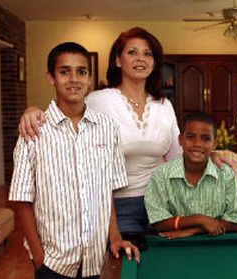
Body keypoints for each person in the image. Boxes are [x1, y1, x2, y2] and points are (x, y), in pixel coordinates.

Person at [17, 27, 235, 235]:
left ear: (154, 62)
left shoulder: (163, 105)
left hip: (164, 203)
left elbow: (177, 157)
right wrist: (32, 111)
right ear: (118, 60)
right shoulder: (99, 100)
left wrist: (210, 153)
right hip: (119, 208)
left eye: (147, 53)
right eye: (132, 52)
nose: (140, 58)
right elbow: (64, 112)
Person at [9, 42, 139, 279]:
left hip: (94, 259)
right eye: (64, 71)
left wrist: (115, 237)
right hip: (52, 261)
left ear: (89, 78)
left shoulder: (107, 127)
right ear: (51, 77)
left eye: (81, 71)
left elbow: (106, 190)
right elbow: (21, 200)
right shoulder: (33, 130)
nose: (74, 79)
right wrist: (39, 256)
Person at [144, 112, 237, 240]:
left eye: (206, 139)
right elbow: (158, 222)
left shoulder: (226, 174)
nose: (197, 144)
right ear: (181, 140)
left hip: (217, 246)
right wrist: (199, 219)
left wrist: (196, 229)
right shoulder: (162, 175)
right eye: (191, 137)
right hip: (175, 247)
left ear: (215, 144)